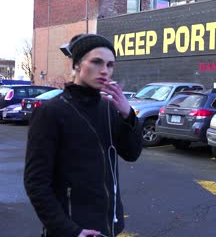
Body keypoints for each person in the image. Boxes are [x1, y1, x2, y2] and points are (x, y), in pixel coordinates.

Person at [24, 34, 142, 237]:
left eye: (110, 64)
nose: (105, 71)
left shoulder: (108, 109)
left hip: (108, 226)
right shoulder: (51, 112)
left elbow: (131, 153)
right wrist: (70, 230)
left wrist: (127, 114)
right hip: (72, 228)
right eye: (96, 62)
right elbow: (36, 182)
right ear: (77, 64)